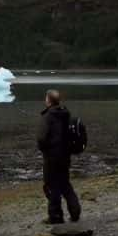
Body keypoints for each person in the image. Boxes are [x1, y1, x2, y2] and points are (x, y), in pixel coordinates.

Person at [37, 89, 81, 224]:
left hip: (52, 157)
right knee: (65, 183)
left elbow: (41, 138)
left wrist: (44, 150)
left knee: (52, 185)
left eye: (46, 98)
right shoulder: (66, 114)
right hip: (65, 156)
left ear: (49, 100)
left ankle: (55, 216)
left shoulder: (48, 116)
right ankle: (75, 211)